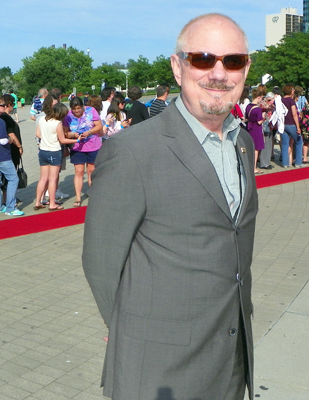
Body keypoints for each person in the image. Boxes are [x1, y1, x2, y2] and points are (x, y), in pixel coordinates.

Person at [83, 13, 258, 400]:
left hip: (232, 358)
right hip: (161, 367)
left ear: (246, 69)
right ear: (178, 67)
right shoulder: (131, 151)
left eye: (233, 61)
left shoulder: (242, 142)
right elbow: (101, 261)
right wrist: (138, 331)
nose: (219, 73)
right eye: (202, 59)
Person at [35, 103, 79, 211]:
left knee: (43, 178)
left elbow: (37, 134)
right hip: (54, 151)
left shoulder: (42, 119)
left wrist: (46, 138)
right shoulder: (57, 123)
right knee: (53, 179)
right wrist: (77, 140)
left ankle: (38, 201)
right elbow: (62, 140)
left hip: (43, 151)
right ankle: (52, 203)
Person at [63, 96, 102, 207]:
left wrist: (89, 132)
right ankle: (78, 197)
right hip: (77, 147)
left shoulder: (91, 110)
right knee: (79, 172)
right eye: (74, 109)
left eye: (79, 108)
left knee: (91, 171)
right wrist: (73, 135)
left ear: (83, 107)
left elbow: (99, 126)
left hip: (93, 145)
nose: (77, 111)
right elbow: (65, 133)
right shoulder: (68, 115)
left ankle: (93, 193)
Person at [281, 83, 303, 168]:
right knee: (299, 141)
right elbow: (294, 114)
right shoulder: (291, 100)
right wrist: (298, 126)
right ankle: (298, 162)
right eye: (293, 89)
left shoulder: (281, 100)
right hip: (291, 124)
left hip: (283, 124)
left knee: (285, 144)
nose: (294, 91)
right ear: (290, 90)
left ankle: (285, 163)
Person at [245, 86, 266, 174]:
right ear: (258, 97)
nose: (261, 100)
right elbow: (259, 122)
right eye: (261, 98)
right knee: (256, 149)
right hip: (256, 129)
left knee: (250, 148)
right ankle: (254, 168)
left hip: (249, 128)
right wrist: (264, 116)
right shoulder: (257, 109)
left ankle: (250, 166)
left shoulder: (248, 106)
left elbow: (246, 117)